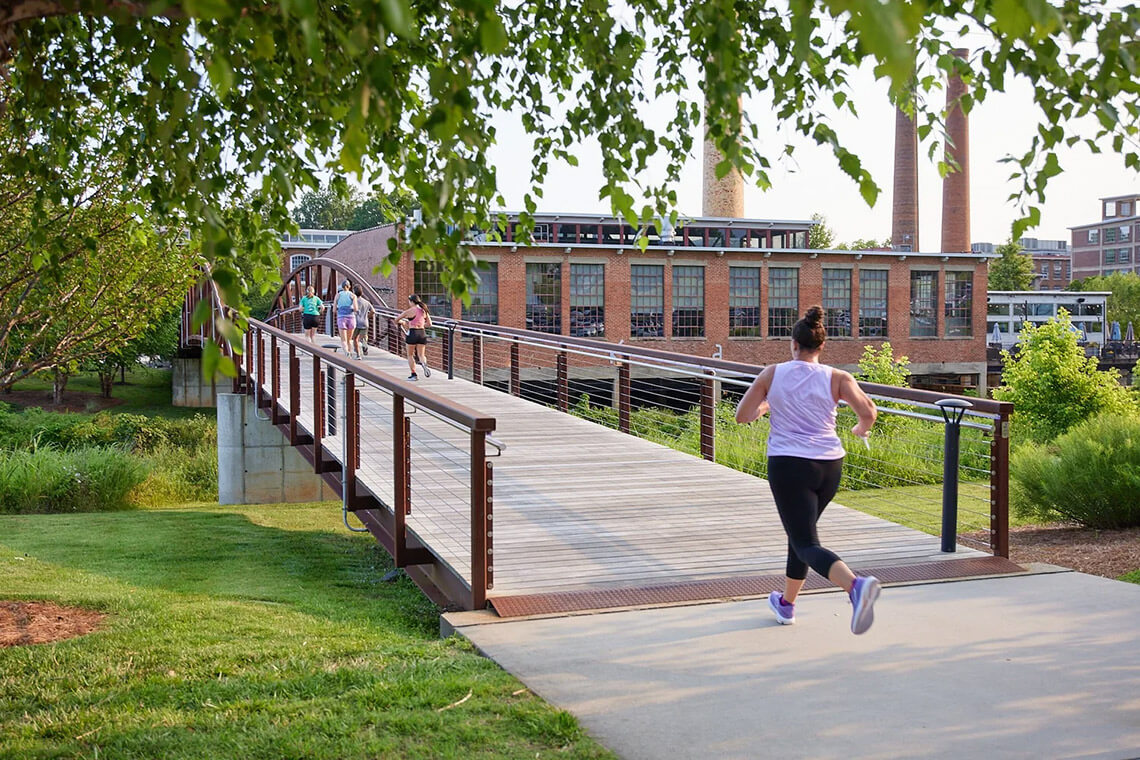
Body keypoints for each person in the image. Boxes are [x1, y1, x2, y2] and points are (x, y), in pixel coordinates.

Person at [735, 305, 881, 635]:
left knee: (804, 541)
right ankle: (786, 604)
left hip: (789, 464)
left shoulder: (772, 373)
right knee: (801, 533)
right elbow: (868, 411)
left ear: (793, 344)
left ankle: (856, 586)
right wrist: (859, 429)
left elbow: (742, 415)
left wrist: (767, 404)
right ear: (821, 347)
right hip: (829, 466)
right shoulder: (838, 378)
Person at [395, 294, 432, 381]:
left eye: (409, 301)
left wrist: (403, 323)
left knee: (410, 355)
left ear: (412, 302)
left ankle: (413, 374)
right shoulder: (424, 311)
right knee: (421, 355)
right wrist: (421, 325)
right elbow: (430, 324)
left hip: (412, 333)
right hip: (422, 333)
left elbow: (396, 319)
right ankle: (424, 363)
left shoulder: (409, 311)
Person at [333, 280, 357, 355]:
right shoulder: (353, 295)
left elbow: (334, 310)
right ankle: (349, 354)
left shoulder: (338, 295)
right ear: (349, 286)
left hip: (341, 318)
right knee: (349, 340)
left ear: (342, 287)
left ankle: (346, 352)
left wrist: (340, 310)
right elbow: (356, 308)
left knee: (343, 340)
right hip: (351, 318)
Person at [351, 285, 373, 360]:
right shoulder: (366, 302)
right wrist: (367, 316)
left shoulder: (353, 301)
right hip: (364, 322)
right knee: (364, 337)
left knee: (355, 338)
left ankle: (358, 355)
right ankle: (365, 345)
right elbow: (373, 311)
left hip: (355, 322)